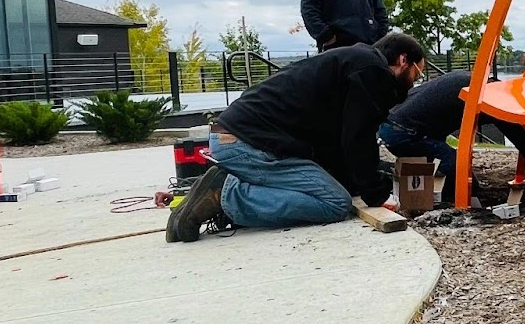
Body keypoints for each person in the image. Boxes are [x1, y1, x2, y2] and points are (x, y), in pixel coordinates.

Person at [165, 32, 426, 243]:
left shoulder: (351, 63)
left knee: (332, 190)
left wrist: (356, 182)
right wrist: (377, 194)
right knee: (334, 203)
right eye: (418, 72)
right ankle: (227, 195)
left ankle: (218, 194)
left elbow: (338, 141)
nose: (415, 81)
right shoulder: (374, 72)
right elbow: (358, 138)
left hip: (239, 137)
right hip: (248, 144)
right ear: (403, 60)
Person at [379, 70, 525, 206]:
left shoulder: (475, 83)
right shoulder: (492, 99)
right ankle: (451, 204)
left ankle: (448, 194)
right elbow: (523, 141)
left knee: (460, 172)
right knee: (455, 164)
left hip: (392, 125)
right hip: (402, 132)